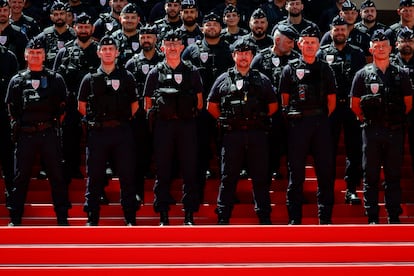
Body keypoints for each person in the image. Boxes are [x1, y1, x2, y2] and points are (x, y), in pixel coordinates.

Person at [207, 38, 278, 225]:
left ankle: (264, 217)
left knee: (260, 177)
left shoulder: (262, 79)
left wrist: (255, 120)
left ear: (252, 56)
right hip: (233, 135)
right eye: (240, 53)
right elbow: (211, 105)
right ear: (233, 56)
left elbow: (273, 105)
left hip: (256, 134)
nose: (244, 57)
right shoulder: (223, 79)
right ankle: (223, 217)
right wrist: (229, 121)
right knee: (228, 177)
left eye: (247, 53)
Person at [5, 38, 71, 226]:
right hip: (26, 134)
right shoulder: (17, 80)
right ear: (26, 55)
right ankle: (15, 218)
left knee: (57, 176)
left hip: (48, 133)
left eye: (39, 53)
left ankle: (62, 217)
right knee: (20, 178)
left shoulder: (55, 79)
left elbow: (63, 107)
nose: (35, 55)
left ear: (44, 56)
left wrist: (51, 125)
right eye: (32, 53)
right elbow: (11, 109)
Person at [350, 29, 413, 224]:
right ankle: (372, 217)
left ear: (390, 48)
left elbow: (408, 103)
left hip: (394, 130)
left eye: (384, 46)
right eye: (376, 46)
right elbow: (355, 105)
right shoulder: (362, 74)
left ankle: (393, 216)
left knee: (393, 175)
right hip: (371, 131)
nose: (380, 49)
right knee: (371, 175)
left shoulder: (401, 74)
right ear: (371, 49)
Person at [78, 35, 140, 226]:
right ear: (98, 53)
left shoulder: (126, 77)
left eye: (110, 49)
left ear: (117, 53)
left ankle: (130, 217)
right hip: (98, 133)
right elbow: (81, 106)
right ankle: (92, 218)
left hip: (121, 132)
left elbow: (135, 105)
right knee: (95, 176)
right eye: (104, 49)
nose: (107, 52)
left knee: (127, 176)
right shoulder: (89, 78)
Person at [143, 29, 203, 226]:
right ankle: (163, 215)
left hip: (187, 126)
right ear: (162, 48)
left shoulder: (192, 71)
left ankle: (189, 215)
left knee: (189, 170)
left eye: (176, 44)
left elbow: (200, 102)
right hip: (164, 127)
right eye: (168, 45)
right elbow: (148, 103)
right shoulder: (155, 72)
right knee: (163, 170)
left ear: (182, 47)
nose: (172, 48)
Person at [279, 25, 337, 225]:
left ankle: (325, 218)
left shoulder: (325, 68)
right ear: (299, 44)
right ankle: (294, 219)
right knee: (296, 174)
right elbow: (284, 100)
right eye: (307, 42)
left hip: (320, 123)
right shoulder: (290, 69)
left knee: (325, 172)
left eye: (314, 42)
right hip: (298, 125)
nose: (310, 46)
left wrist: (318, 119)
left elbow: (332, 102)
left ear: (319, 45)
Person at [182, 12, 234, 201]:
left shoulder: (229, 51)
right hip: (199, 112)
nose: (211, 27)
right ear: (202, 27)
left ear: (221, 28)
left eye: (215, 24)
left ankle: (227, 196)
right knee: (199, 154)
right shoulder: (192, 51)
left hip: (224, 110)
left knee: (227, 155)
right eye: (208, 24)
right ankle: (196, 196)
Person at [317, 15, 366, 205]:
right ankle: (326, 188)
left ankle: (351, 189)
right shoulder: (322, 54)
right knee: (327, 150)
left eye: (342, 29)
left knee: (354, 150)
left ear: (347, 31)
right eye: (336, 29)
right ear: (331, 31)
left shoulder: (357, 53)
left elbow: (362, 80)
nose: (339, 32)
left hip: (351, 107)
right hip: (330, 108)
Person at [53, 12, 100, 181]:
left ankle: (98, 178)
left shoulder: (101, 51)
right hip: (71, 104)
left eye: (87, 27)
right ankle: (70, 171)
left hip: (95, 105)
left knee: (97, 143)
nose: (84, 30)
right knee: (69, 139)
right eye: (80, 27)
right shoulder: (64, 52)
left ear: (92, 28)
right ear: (74, 28)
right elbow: (56, 80)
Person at [251, 23, 300, 181]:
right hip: (268, 112)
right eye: (289, 42)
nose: (293, 45)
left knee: (293, 146)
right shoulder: (261, 58)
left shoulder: (296, 59)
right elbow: (250, 82)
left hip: (291, 111)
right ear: (277, 40)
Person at [125, 23, 164, 205]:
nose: (146, 40)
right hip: (138, 117)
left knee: (163, 154)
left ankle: (163, 195)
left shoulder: (163, 61)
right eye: (143, 37)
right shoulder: (132, 62)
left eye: (149, 37)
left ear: (156, 39)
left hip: (161, 115)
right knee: (137, 156)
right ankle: (137, 193)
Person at [391, 28, 414, 175]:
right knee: (393, 153)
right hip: (395, 112)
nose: (407, 44)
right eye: (403, 41)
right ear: (396, 43)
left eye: (410, 41)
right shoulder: (389, 62)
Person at [0, 44, 18, 210]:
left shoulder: (9, 57)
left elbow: (15, 89)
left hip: (3, 117)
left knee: (7, 160)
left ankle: (12, 201)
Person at [35, 1, 76, 69]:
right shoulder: (43, 37)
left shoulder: (75, 36)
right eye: (56, 14)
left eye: (61, 14)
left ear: (66, 15)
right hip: (48, 75)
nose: (59, 17)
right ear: (51, 17)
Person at [0, 0, 28, 69]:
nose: (2, 13)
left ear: (10, 11)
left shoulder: (19, 34)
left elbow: (26, 59)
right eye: (0, 10)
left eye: (5, 10)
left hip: (14, 75)